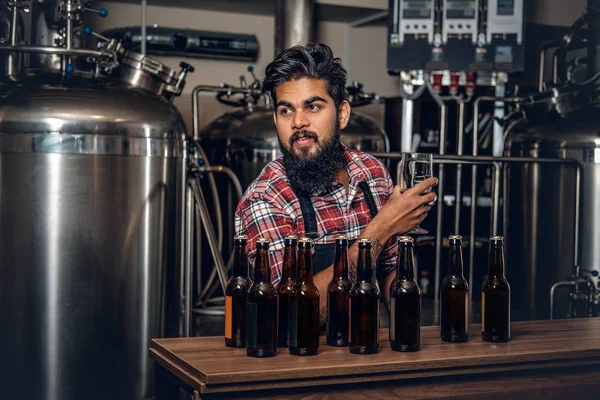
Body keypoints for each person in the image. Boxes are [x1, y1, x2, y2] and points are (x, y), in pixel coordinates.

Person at [234, 43, 437, 325]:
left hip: (369, 349)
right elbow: (287, 317)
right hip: (299, 362)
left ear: (342, 113)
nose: (298, 122)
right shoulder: (267, 198)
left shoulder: (373, 173)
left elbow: (391, 272)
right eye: (286, 111)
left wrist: (410, 340)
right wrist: (383, 226)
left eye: (313, 106)